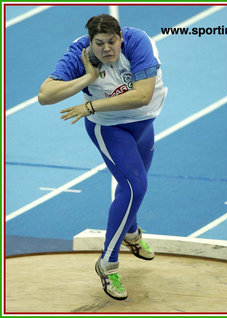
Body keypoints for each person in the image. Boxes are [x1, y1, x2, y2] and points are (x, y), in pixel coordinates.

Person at [38, 14, 168, 301]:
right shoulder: (79, 53)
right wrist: (87, 78)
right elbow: (45, 96)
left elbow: (143, 95)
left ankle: (131, 233)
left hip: (144, 123)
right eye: (99, 44)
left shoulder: (139, 42)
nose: (107, 49)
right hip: (109, 128)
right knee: (136, 186)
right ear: (90, 43)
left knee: (133, 187)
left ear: (121, 37)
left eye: (112, 42)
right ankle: (108, 264)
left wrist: (92, 105)